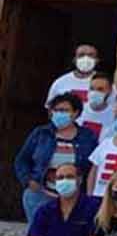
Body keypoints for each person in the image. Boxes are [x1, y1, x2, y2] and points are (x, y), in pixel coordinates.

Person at [17, 93, 99, 222]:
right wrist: (28, 181)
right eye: (56, 110)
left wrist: (89, 195)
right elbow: (22, 160)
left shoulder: (88, 136)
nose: (59, 114)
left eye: (65, 110)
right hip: (40, 194)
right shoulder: (41, 133)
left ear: (76, 113)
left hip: (75, 197)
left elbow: (93, 166)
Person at [75, 72, 116, 140]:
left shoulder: (115, 115)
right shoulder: (78, 110)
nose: (94, 93)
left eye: (100, 89)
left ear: (110, 91)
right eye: (92, 88)